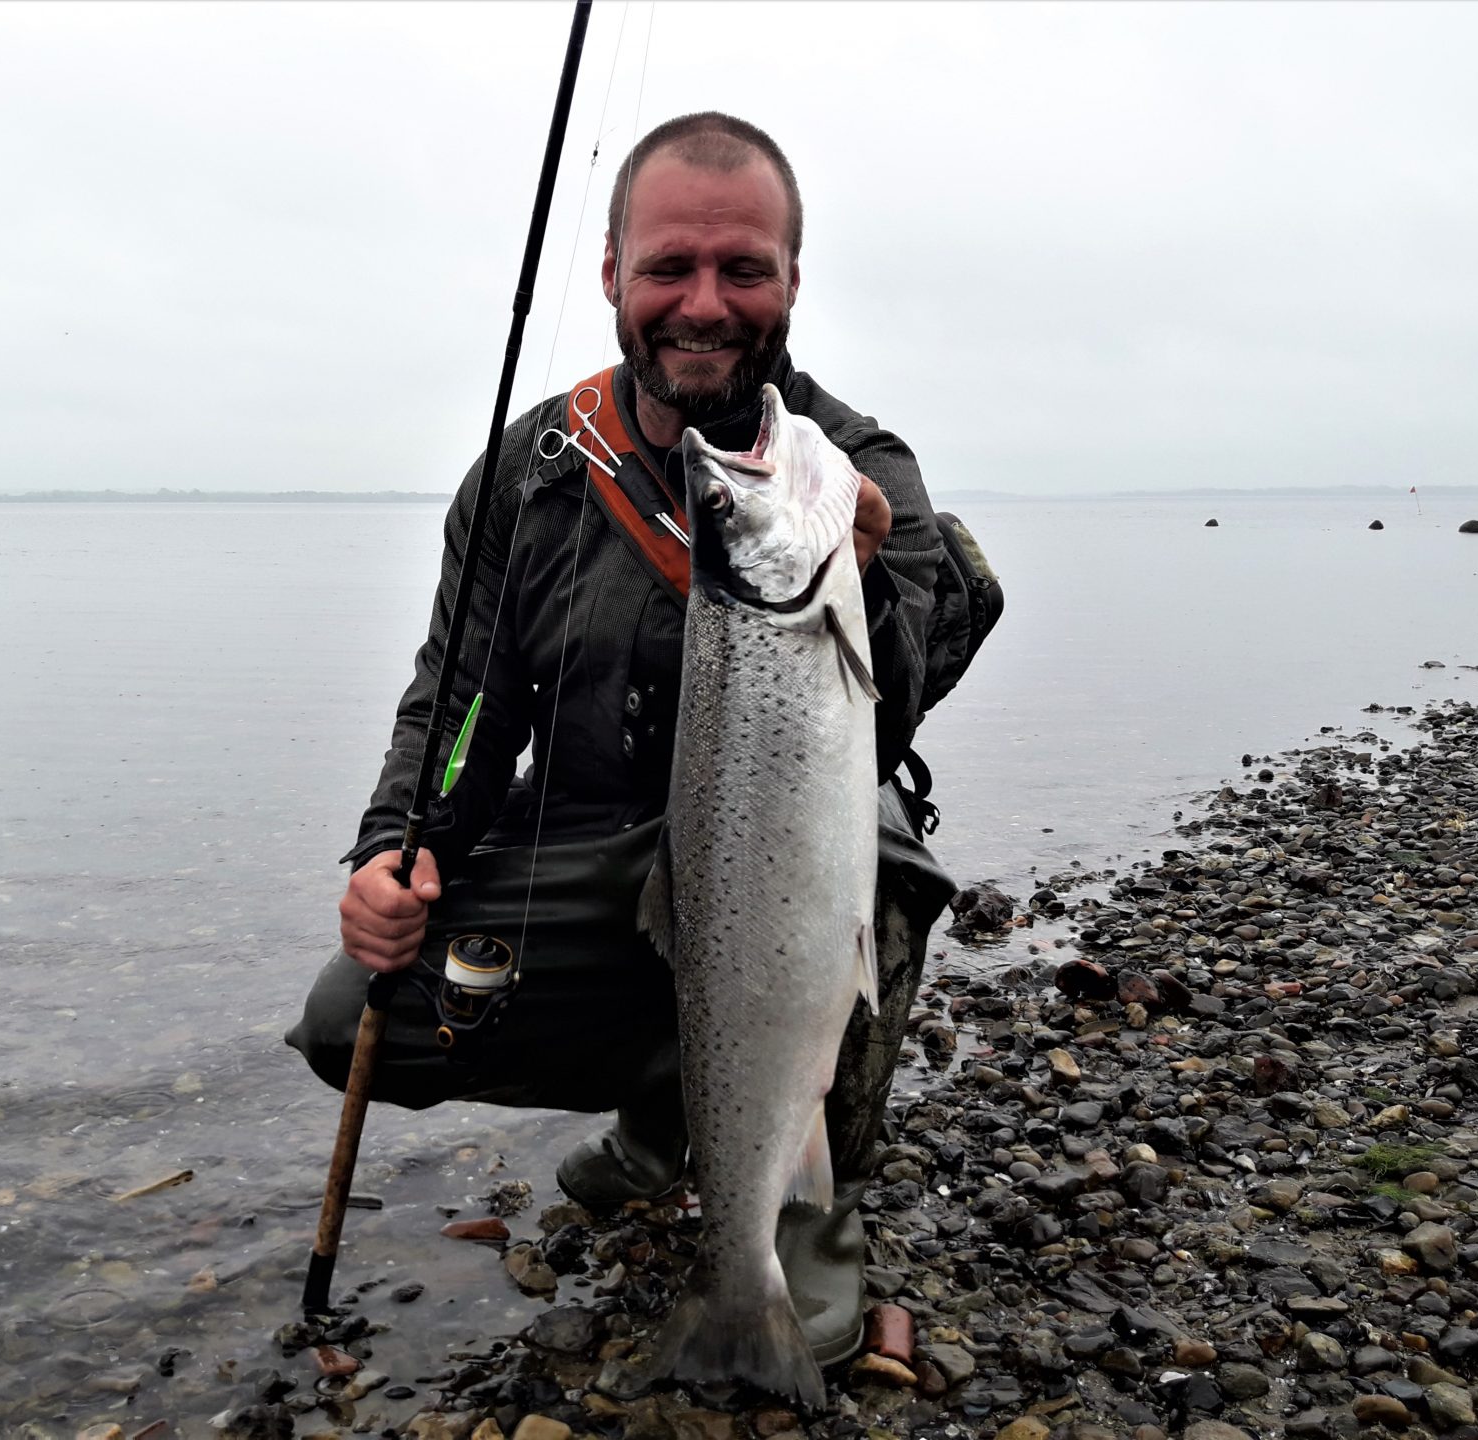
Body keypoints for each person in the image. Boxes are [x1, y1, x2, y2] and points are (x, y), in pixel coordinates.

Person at [288, 112, 990, 1367]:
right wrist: (399, 847)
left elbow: (906, 690)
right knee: (358, 1016)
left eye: (744, 269)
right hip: (597, 860)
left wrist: (871, 582)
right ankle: (670, 1112)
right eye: (670, 267)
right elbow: (459, 706)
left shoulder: (853, 469)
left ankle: (804, 1214)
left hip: (792, 867)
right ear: (613, 274)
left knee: (881, 879)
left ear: (790, 281)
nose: (704, 304)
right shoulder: (533, 474)